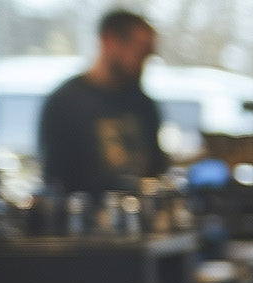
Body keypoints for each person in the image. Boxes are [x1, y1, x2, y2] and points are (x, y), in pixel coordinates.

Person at [37, 10, 167, 194]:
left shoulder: (144, 104)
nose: (143, 62)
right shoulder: (66, 103)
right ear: (109, 41)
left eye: (148, 55)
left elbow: (156, 171)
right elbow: (55, 182)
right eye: (139, 52)